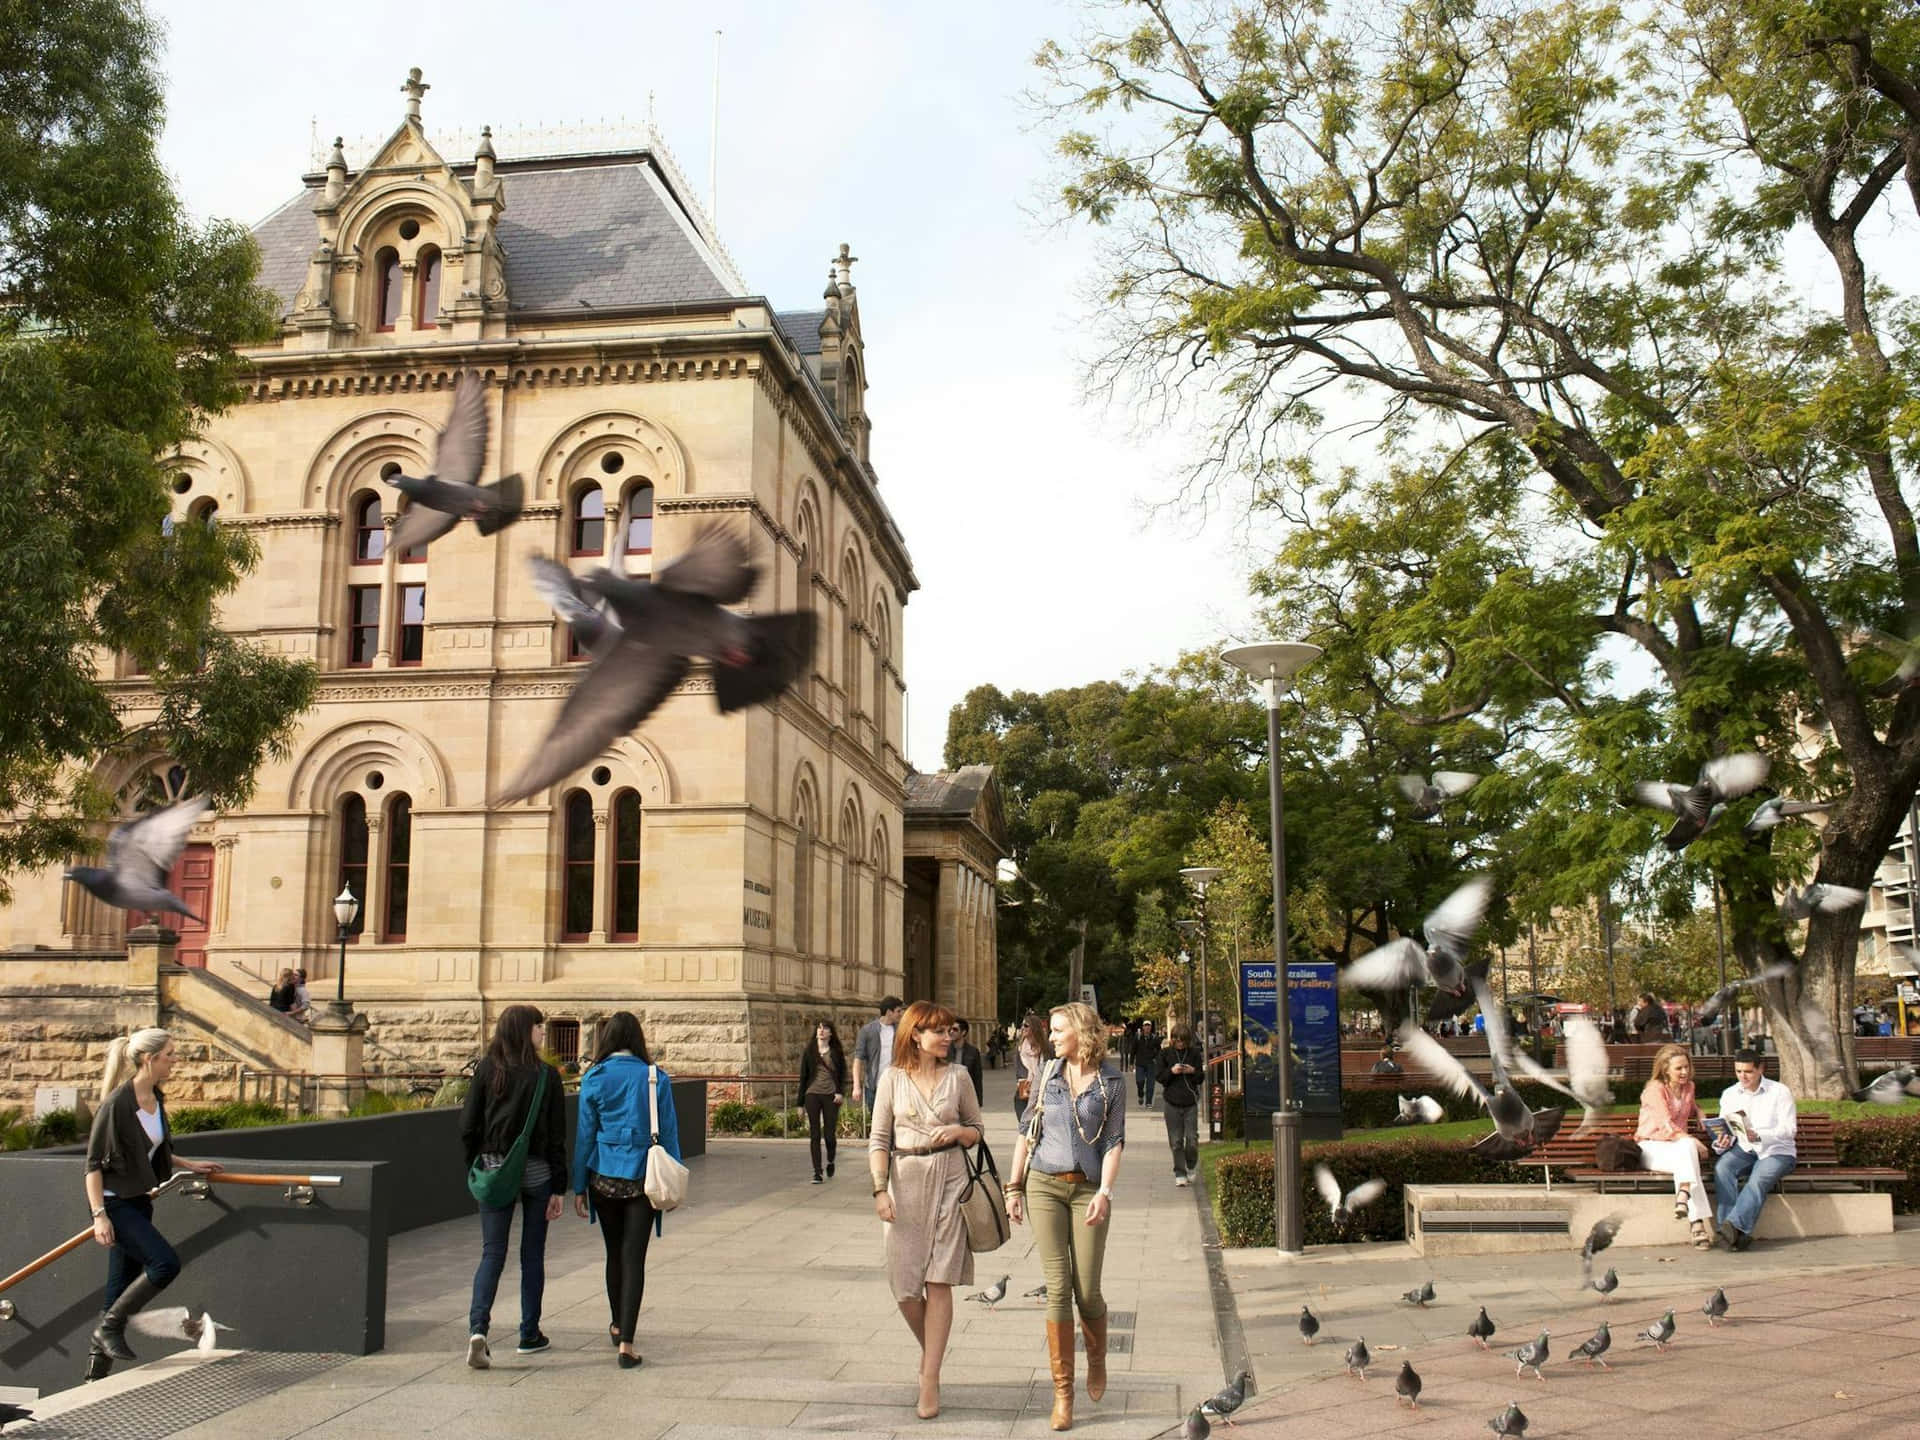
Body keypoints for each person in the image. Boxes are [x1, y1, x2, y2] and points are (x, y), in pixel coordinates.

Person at [1006, 1002, 1126, 1431]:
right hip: (1044, 1184)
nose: (1051, 1037)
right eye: (1050, 1031)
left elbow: (1114, 1141)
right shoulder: (1047, 1075)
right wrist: (1013, 1187)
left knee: (1087, 1290)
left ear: (1081, 1032)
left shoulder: (1111, 1081)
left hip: (1089, 1189)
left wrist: (1106, 1193)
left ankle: (1096, 1358)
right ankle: (1063, 1394)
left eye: (1058, 1031)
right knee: (1057, 1287)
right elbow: (1025, 1132)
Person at [869, 1001, 985, 1421]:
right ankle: (931, 1354)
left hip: (950, 1178)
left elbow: (978, 1129)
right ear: (915, 1035)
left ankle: (929, 1376)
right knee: (904, 1287)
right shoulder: (892, 1079)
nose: (948, 1037)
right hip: (905, 1181)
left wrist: (961, 1131)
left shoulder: (959, 1077)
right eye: (938, 1031)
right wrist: (880, 1191)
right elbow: (878, 1139)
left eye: (950, 1030)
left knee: (940, 1281)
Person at [83, 1029, 223, 1362]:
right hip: (115, 1204)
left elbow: (150, 1148)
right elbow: (92, 1166)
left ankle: (94, 1373)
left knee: (118, 1289)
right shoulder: (117, 1103)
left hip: (140, 1200)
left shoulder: (155, 1098)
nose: (176, 1060)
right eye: (170, 1054)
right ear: (150, 1059)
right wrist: (99, 1215)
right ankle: (109, 1328)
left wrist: (188, 1164)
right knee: (164, 1263)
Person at [572, 1010, 681, 1368]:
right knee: (634, 1258)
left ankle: (617, 1324)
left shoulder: (594, 1077)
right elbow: (669, 1133)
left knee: (613, 1254)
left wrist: (577, 1185)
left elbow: (584, 1135)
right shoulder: (654, 1077)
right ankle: (627, 1346)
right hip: (642, 1178)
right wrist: (674, 1184)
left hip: (603, 1176)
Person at [460, 1004, 567, 1368]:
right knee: (532, 1254)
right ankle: (529, 1333)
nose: (542, 1033)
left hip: (494, 1167)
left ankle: (479, 1328)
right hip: (536, 1171)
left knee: (492, 1252)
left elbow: (467, 1127)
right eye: (539, 1026)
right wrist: (559, 1187)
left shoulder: (487, 1070)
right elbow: (556, 1136)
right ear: (526, 1031)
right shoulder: (545, 1075)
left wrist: (473, 1165)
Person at [1713, 1048, 1797, 1251]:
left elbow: (1789, 1130)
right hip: (1744, 1149)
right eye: (1738, 1071)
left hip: (1777, 1151)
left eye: (1748, 1072)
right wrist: (1720, 1142)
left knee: (1758, 1180)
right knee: (1722, 1168)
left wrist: (1759, 1135)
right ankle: (1733, 1234)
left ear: (1760, 1069)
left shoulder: (1779, 1092)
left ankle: (1730, 1229)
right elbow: (1727, 1128)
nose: (1743, 1076)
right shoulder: (1730, 1094)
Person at [1634, 1043, 1714, 1248]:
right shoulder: (1654, 1090)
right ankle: (1696, 1222)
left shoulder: (1689, 1087)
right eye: (1679, 1068)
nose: (1684, 1072)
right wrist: (1693, 1140)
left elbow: (1690, 1104)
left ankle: (1684, 1200)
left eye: (1686, 1066)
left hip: (1676, 1147)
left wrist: (1700, 1112)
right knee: (1688, 1148)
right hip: (1650, 1146)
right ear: (1665, 1069)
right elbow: (1666, 1125)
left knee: (1685, 1153)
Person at [798, 1017, 848, 1183]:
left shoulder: (836, 1052)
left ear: (831, 1033)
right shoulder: (809, 1051)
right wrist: (800, 1104)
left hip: (831, 1095)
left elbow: (842, 1075)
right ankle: (817, 1172)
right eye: (819, 1028)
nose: (821, 1031)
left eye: (825, 1028)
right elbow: (803, 1078)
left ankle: (831, 1160)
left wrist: (840, 1092)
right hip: (812, 1094)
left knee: (829, 1135)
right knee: (814, 1134)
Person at [1155, 1023, 1204, 1186]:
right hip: (1172, 1102)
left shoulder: (1194, 1054)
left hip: (1190, 1102)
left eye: (1183, 1040)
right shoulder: (1165, 1054)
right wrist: (1172, 1071)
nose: (1180, 1043)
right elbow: (1159, 1076)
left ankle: (1191, 1165)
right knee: (1176, 1141)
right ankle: (1179, 1172)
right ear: (1172, 1039)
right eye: (1177, 1040)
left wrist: (1192, 1071)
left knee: (1191, 1139)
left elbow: (1200, 1077)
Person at [852, 995, 905, 1117]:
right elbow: (858, 1059)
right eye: (898, 1011)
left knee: (896, 1120)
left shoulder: (901, 1031)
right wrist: (856, 1086)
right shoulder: (867, 1031)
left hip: (896, 1084)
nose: (900, 1014)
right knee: (876, 1120)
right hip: (873, 1085)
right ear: (888, 1012)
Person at [1014, 1012, 1047, 1124]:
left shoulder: (1047, 1049)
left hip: (1042, 1095)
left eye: (1026, 1025)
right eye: (1022, 1025)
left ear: (1035, 1028)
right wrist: (1020, 1080)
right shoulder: (1020, 1048)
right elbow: (1018, 1069)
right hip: (1023, 1095)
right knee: (1024, 1126)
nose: (1023, 1028)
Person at [953, 1018, 984, 1106]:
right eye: (950, 1029)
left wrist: (978, 1101)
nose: (951, 1032)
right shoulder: (945, 1051)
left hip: (966, 1094)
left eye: (955, 1029)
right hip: (949, 1095)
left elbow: (977, 1077)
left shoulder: (973, 1051)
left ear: (963, 1032)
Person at [1133, 1018, 1161, 1106]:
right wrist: (1130, 1063)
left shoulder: (1155, 1038)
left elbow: (1159, 1050)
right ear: (1143, 1027)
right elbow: (1133, 1050)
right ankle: (1141, 1095)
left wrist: (1157, 1059)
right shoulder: (1137, 1037)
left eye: (1149, 1026)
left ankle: (1148, 1102)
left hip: (1150, 1064)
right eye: (1146, 1026)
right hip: (1140, 1064)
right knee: (1139, 1082)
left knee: (1150, 1084)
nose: (1147, 1028)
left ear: (1151, 1027)